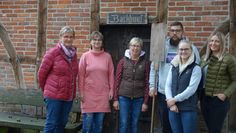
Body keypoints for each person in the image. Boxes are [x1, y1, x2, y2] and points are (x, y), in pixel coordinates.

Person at [149, 21, 200, 133]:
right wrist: (152, 86)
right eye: (172, 31)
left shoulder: (191, 48)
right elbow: (154, 68)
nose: (175, 33)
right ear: (169, 32)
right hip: (164, 93)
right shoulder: (161, 47)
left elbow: (196, 71)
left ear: (182, 32)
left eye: (177, 30)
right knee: (166, 126)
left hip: (184, 96)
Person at [38, 26, 78, 133]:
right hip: (54, 96)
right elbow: (41, 74)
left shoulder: (73, 55)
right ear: (60, 37)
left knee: (62, 123)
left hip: (68, 96)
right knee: (52, 123)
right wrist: (47, 90)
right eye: (66, 36)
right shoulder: (53, 53)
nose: (68, 39)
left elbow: (74, 75)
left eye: (71, 37)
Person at [78, 31, 114, 133]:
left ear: (102, 42)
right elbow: (80, 76)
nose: (97, 42)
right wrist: (81, 92)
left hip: (103, 94)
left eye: (99, 40)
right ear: (90, 42)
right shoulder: (85, 56)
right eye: (94, 39)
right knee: (87, 127)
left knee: (98, 127)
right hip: (88, 95)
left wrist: (111, 90)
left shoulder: (107, 57)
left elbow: (111, 75)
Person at [200, 32, 236, 133]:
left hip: (219, 100)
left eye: (217, 41)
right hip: (204, 98)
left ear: (222, 43)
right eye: (211, 41)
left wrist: (225, 94)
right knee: (210, 128)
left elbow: (235, 80)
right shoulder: (204, 58)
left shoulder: (229, 59)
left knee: (214, 129)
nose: (213, 43)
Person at [113, 37, 150, 133]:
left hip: (139, 98)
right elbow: (117, 81)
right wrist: (116, 99)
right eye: (133, 45)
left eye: (138, 46)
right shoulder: (122, 62)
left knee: (135, 123)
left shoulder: (145, 63)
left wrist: (145, 102)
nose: (135, 48)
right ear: (129, 47)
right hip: (124, 97)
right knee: (124, 123)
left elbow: (147, 83)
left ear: (141, 48)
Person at [165, 40, 202, 133]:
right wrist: (171, 102)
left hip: (188, 109)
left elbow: (191, 89)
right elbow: (168, 85)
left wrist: (175, 99)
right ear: (178, 51)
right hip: (173, 108)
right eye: (181, 49)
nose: (183, 52)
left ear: (191, 51)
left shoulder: (196, 68)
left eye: (186, 49)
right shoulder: (173, 66)